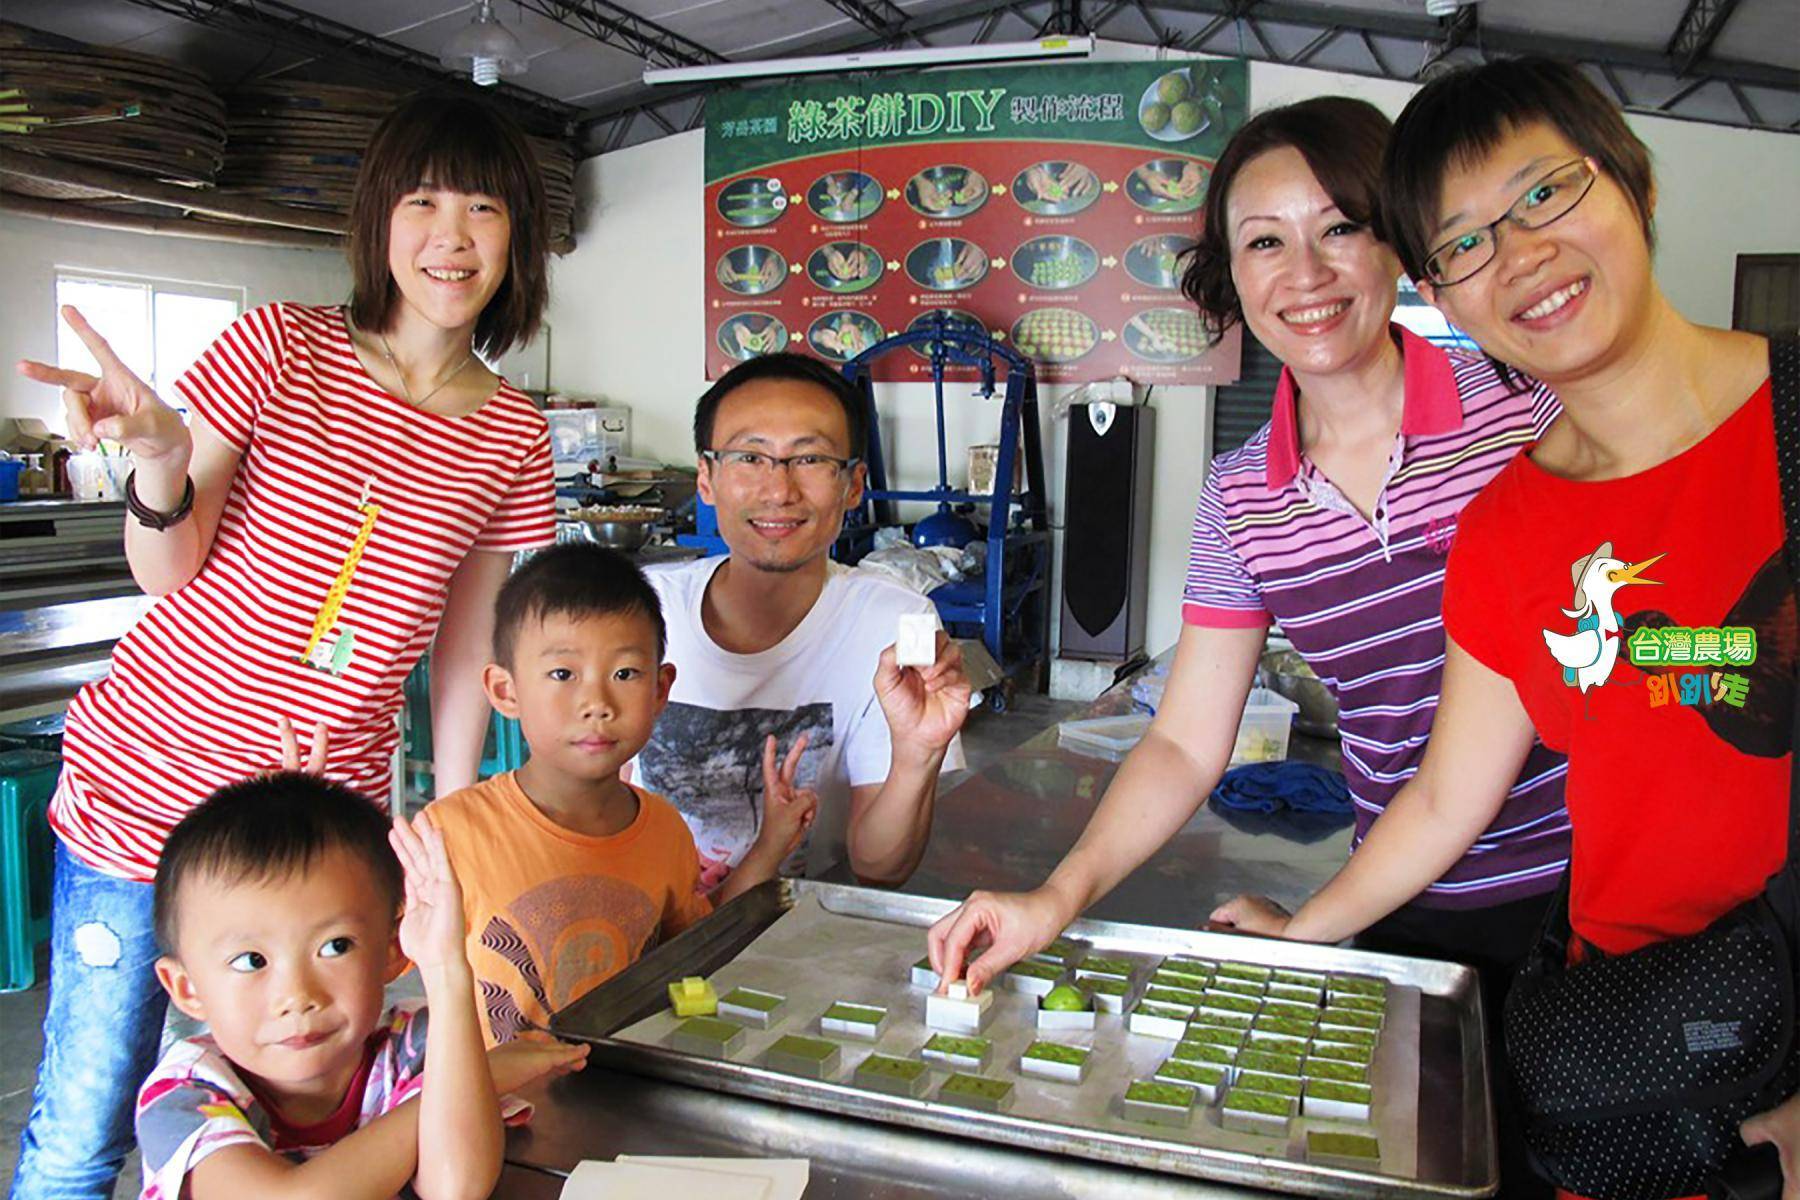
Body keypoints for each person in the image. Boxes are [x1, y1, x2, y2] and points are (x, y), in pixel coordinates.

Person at [1212, 58, 1796, 1188]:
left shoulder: (1791, 427)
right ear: (1443, 282)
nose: (1519, 255)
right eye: (1466, 242)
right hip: (1629, 1052)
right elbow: (1443, 796)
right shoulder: (1508, 525)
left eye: (1545, 194)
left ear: (1639, 185)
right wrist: (1304, 937)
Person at [928, 93, 1571, 1107]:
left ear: (1399, 242)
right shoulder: (1240, 498)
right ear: (1229, 274)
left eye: (1341, 229)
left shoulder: (1526, 411)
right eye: (1264, 241)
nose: (1305, 277)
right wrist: (1055, 897)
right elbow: (1187, 742)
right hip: (1407, 903)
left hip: (1597, 894)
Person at [10, 93, 556, 1200]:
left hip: (320, 830)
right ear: (378, 219)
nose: (451, 237)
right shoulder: (278, 344)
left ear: (519, 238)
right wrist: (159, 461)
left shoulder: (513, 431)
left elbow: (465, 645)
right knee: (86, 1123)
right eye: (422, 201)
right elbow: (165, 571)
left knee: (316, 1107)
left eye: (484, 209)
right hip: (143, 796)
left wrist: (446, 817)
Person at [425, 543, 816, 1045]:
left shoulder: (662, 829)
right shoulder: (448, 835)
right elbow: (352, 954)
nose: (597, 703)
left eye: (625, 674)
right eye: (563, 674)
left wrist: (771, 844)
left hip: (626, 1097)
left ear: (660, 690)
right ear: (506, 691)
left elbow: (697, 947)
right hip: (496, 1113)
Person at [136, 774, 586, 1200]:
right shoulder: (183, 1095)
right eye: (252, 961)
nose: (297, 996)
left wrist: (447, 968)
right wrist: (482, 1078)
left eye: (335, 947)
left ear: (392, 949)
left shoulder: (413, 1045)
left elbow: (457, 1187)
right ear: (186, 986)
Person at [631, 353, 972, 895]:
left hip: (795, 941)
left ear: (854, 485)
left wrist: (917, 754)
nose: (779, 491)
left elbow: (881, 868)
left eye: (810, 460)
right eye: (750, 456)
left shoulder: (893, 624)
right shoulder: (645, 609)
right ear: (706, 478)